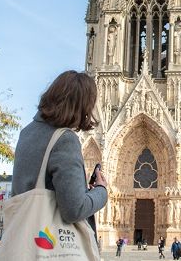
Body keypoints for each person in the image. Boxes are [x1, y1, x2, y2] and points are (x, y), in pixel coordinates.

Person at [11, 71, 108, 250]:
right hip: (54, 247)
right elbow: (74, 209)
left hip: (23, 241)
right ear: (79, 106)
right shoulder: (65, 139)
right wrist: (101, 191)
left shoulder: (26, 133)